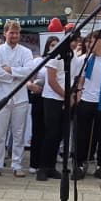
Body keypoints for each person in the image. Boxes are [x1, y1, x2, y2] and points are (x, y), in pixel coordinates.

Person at [71, 30, 101, 180]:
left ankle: (100, 166)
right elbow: (79, 80)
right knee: (82, 136)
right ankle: (80, 165)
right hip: (85, 101)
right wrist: (79, 95)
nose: (89, 44)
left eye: (92, 41)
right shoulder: (83, 59)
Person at [0, 21, 34, 177]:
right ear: (5, 33)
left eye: (17, 33)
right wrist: (17, 75)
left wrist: (10, 70)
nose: (14, 35)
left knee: (19, 133)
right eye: (11, 32)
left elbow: (30, 71)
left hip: (20, 97)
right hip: (0, 96)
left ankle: (17, 165)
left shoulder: (26, 52)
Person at [32, 35, 65, 180]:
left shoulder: (63, 59)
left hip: (58, 98)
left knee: (56, 134)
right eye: (52, 45)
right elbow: (31, 78)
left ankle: (51, 166)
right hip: (43, 97)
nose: (54, 47)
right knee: (42, 132)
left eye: (57, 45)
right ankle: (39, 166)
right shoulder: (40, 60)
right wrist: (32, 85)